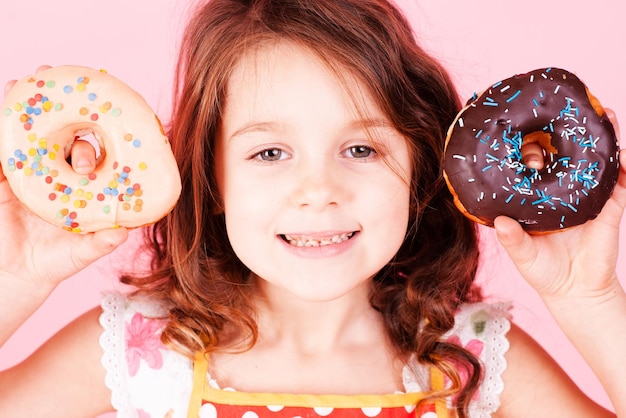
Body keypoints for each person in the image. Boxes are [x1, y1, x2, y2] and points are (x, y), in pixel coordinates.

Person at [0, 0, 624, 416]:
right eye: (270, 153)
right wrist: (16, 276)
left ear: (419, 170)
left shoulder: (476, 356)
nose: (318, 189)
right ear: (209, 178)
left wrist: (586, 299)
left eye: (360, 147)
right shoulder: (144, 349)